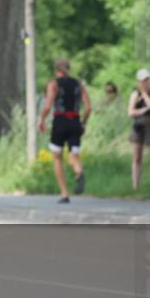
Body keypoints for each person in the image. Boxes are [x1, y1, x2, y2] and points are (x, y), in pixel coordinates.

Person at [38, 58, 92, 203]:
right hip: (75, 121)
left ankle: (64, 194)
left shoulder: (53, 84)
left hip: (60, 121)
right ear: (68, 69)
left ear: (56, 70)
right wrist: (83, 123)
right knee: (74, 157)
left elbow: (48, 106)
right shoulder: (78, 84)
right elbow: (88, 107)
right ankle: (79, 172)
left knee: (57, 157)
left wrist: (41, 120)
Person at [128, 68, 150, 188]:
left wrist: (144, 94)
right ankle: (135, 186)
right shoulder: (134, 94)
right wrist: (142, 110)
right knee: (137, 156)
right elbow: (130, 112)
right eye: (143, 81)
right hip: (138, 125)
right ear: (138, 82)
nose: (146, 83)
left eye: (147, 80)